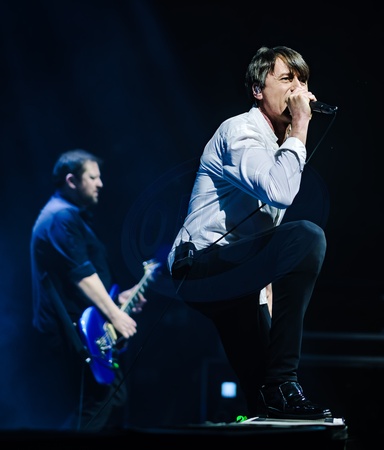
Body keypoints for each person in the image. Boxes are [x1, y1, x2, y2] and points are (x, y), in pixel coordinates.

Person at [167, 46, 333, 420]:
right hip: (201, 265)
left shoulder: (279, 146)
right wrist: (300, 126)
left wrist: (266, 292)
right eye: (287, 79)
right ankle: (285, 382)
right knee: (307, 236)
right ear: (258, 89)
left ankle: (274, 398)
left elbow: (263, 232)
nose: (298, 89)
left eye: (303, 81)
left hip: (239, 276)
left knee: (262, 393)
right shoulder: (240, 131)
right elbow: (279, 192)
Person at [30, 149, 147, 431]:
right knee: (97, 401)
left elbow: (81, 278)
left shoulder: (69, 216)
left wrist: (115, 300)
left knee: (111, 398)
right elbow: (81, 275)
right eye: (93, 177)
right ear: (71, 180)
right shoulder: (60, 217)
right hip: (71, 331)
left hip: (84, 327)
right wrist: (115, 315)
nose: (100, 184)